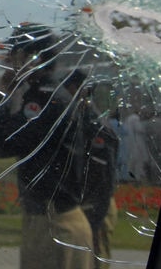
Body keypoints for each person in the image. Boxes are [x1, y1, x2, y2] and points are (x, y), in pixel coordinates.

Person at [0, 24, 93, 269]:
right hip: (51, 221)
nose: (10, 60)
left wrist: (4, 92)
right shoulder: (48, 92)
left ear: (33, 57)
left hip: (54, 227)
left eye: (15, 53)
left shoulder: (45, 98)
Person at [63, 70, 120, 269]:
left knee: (97, 258)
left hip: (97, 205)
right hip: (86, 203)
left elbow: (104, 172)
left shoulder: (92, 123)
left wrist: (95, 214)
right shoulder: (79, 118)